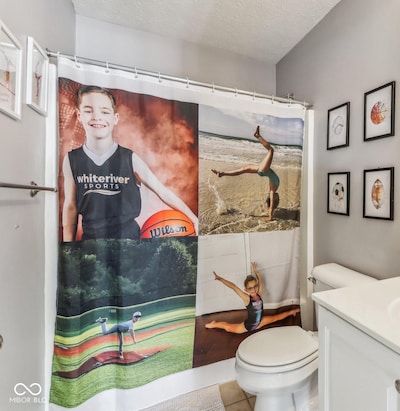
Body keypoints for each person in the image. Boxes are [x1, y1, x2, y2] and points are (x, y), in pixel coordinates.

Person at [61, 85, 198, 241]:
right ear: (79, 116)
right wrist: (68, 245)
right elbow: (71, 206)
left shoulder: (129, 158)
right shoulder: (72, 159)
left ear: (115, 118)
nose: (96, 117)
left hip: (129, 244)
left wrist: (193, 219)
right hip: (92, 244)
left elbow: (162, 192)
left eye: (104, 112)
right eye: (88, 110)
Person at [205, 262, 299, 333]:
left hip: (260, 322)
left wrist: (256, 271)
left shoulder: (259, 293)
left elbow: (260, 281)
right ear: (246, 290)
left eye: (255, 286)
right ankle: (214, 324)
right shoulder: (247, 299)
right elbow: (233, 287)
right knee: (228, 328)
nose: (253, 289)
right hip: (248, 326)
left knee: (277, 317)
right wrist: (220, 279)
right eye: (250, 288)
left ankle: (293, 311)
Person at [211, 125, 280, 221]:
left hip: (263, 170)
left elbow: (272, 203)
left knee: (271, 150)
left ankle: (257, 136)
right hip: (263, 171)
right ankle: (222, 173)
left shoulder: (272, 190)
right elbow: (271, 201)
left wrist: (270, 216)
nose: (278, 199)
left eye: (277, 200)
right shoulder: (274, 187)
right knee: (243, 169)